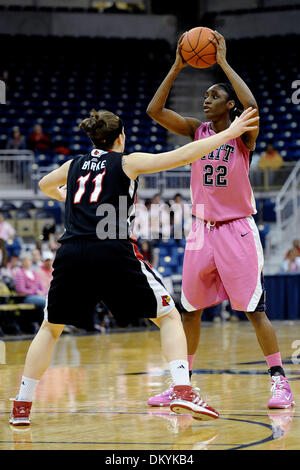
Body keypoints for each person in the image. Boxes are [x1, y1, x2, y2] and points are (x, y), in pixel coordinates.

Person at [9, 106, 258, 426]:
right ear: (120, 137)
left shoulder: (73, 164)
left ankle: (22, 405)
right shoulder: (127, 161)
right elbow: (184, 155)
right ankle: (182, 388)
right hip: (112, 249)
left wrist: (71, 199)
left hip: (71, 251)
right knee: (169, 315)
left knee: (50, 328)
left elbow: (44, 184)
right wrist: (230, 133)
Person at [146, 30, 294, 409]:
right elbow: (155, 112)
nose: (206, 99)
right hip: (200, 231)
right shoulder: (197, 130)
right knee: (190, 311)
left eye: (214, 96)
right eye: (206, 95)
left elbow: (253, 105)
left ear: (229, 105)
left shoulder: (242, 134)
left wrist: (224, 63)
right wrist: (177, 65)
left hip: (237, 229)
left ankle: (280, 382)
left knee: (252, 310)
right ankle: (183, 386)